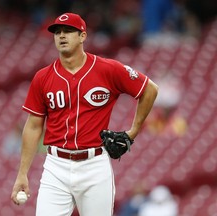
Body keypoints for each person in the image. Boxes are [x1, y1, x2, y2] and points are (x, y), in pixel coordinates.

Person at [11, 12, 158, 216]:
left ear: (82, 36)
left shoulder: (108, 69)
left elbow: (149, 89)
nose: (62, 36)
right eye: (57, 32)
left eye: (69, 31)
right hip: (56, 165)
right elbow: (34, 125)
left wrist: (133, 131)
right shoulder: (42, 77)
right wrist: (22, 173)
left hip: (94, 165)